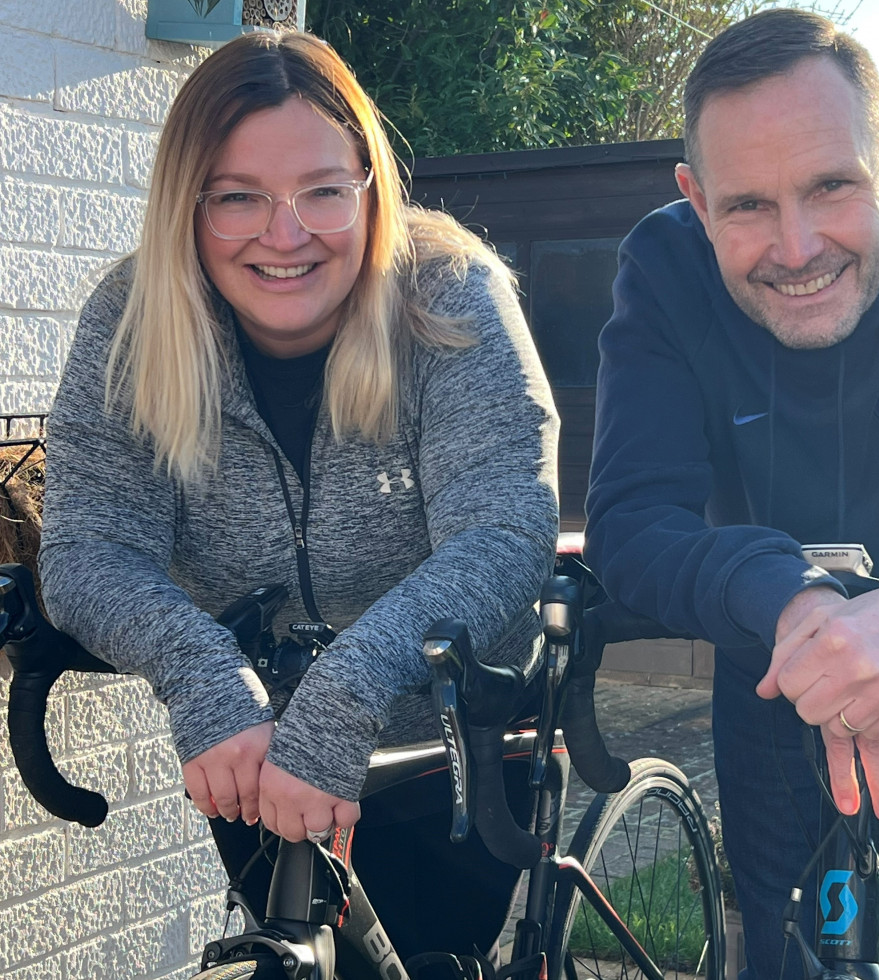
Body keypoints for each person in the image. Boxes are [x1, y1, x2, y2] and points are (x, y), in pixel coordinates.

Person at [38, 31, 558, 968]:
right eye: (239, 197)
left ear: (369, 186)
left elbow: (505, 530)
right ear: (186, 208)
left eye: (323, 190)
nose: (286, 235)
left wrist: (350, 690)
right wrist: (197, 670)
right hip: (257, 741)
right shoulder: (133, 319)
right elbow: (87, 543)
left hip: (456, 735)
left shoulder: (449, 295)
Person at [585, 8, 879, 978]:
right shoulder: (661, 268)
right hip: (776, 663)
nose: (797, 244)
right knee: (788, 949)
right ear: (693, 198)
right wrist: (793, 597)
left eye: (830, 185)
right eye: (746, 207)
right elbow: (631, 519)